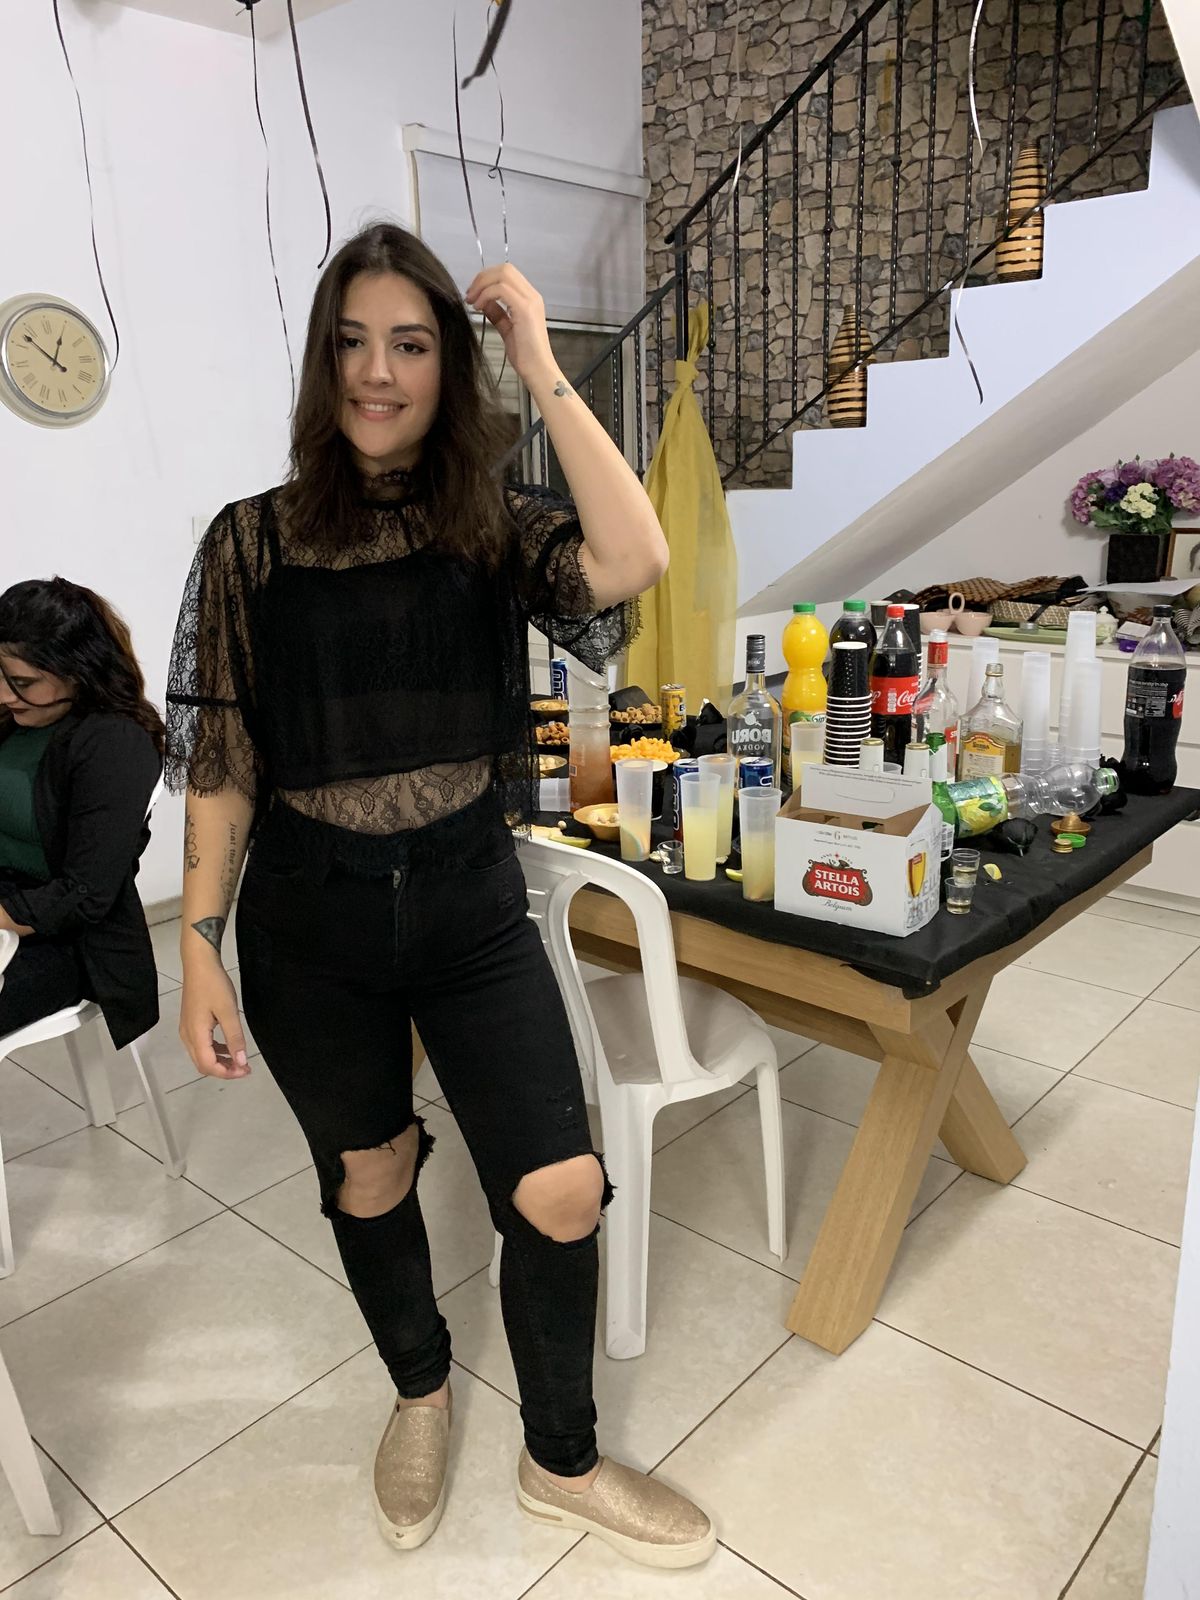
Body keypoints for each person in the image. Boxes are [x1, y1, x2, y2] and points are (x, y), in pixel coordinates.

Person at [168, 223, 715, 1567]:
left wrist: (540, 360)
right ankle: (420, 1388)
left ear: (447, 367)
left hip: (470, 905)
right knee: (371, 1174)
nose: (379, 371)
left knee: (563, 1188)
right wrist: (198, 946)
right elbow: (224, 764)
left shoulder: (489, 524)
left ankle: (561, 1457)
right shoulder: (250, 543)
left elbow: (634, 558)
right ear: (321, 362)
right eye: (353, 342)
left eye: (411, 344)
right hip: (310, 921)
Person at [0, 579, 163, 1048]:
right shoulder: (12, 722)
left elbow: (85, 894)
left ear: (78, 672)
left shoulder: (113, 744)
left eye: (22, 683)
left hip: (67, 942)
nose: (4, 694)